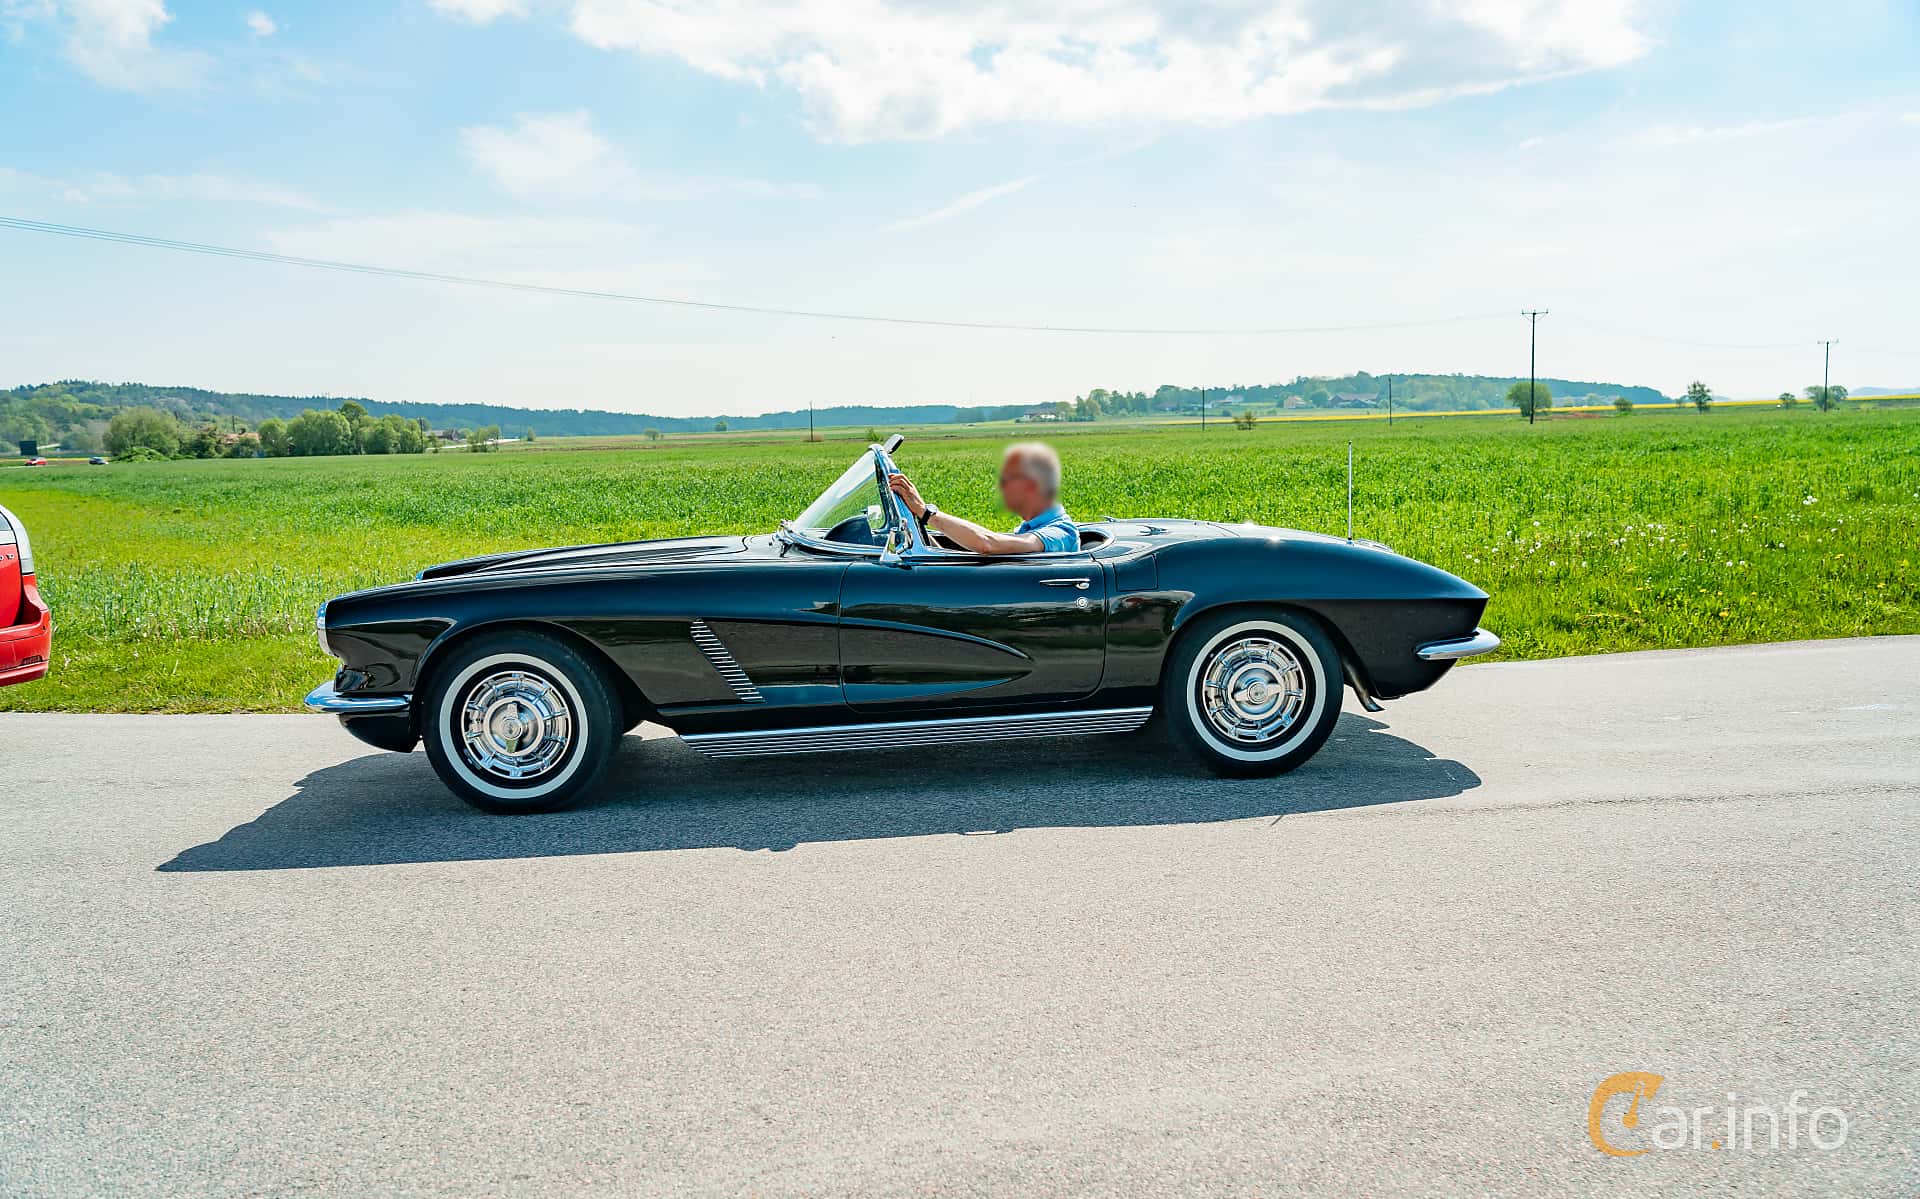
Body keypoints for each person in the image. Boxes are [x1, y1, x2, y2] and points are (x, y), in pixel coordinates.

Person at [887, 441, 1079, 555]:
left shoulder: (1059, 532)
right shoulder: (1029, 528)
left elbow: (988, 544)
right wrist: (919, 528)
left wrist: (926, 512)